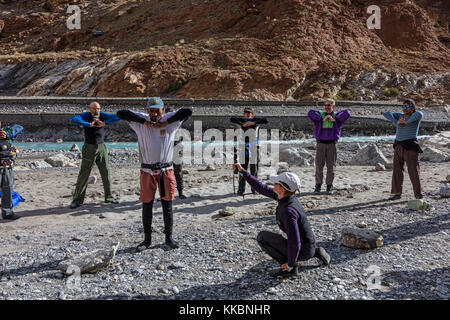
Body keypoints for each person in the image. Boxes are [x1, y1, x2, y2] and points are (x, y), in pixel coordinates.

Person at [117, 97, 192, 251]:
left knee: (167, 205)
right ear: (147, 111)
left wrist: (166, 122)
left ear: (162, 110)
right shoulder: (140, 122)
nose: (154, 113)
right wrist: (145, 122)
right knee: (147, 205)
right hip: (147, 170)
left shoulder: (170, 121)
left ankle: (169, 238)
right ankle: (147, 240)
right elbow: (121, 113)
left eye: (157, 110)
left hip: (166, 170)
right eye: (151, 110)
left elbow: (188, 111)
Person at [232, 162, 331, 278]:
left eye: (276, 183)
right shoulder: (288, 197)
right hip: (309, 245)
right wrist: (243, 172)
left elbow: (295, 243)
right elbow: (260, 187)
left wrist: (290, 264)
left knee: (262, 237)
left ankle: (290, 269)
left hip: (303, 248)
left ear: (282, 189)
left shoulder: (288, 211)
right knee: (290, 242)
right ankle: (315, 252)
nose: (273, 184)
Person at [69, 102, 121, 209]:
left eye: (98, 109)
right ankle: (77, 200)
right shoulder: (86, 116)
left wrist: (104, 123)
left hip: (101, 147)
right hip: (89, 147)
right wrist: (88, 124)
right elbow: (73, 119)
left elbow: (117, 117)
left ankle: (109, 197)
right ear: (90, 109)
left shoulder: (103, 116)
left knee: (105, 172)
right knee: (84, 174)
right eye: (94, 109)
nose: (96, 111)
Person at [307, 99, 350, 195]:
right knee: (319, 166)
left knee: (331, 167)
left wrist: (336, 118)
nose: (327, 106)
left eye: (329, 105)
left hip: (332, 144)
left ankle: (329, 186)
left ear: (333, 106)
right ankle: (318, 186)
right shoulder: (320, 116)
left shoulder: (337, 117)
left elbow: (347, 112)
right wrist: (322, 119)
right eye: (325, 105)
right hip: (320, 144)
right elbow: (310, 112)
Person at [383, 99, 423, 200]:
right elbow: (386, 113)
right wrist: (397, 121)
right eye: (403, 106)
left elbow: (415, 116)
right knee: (397, 170)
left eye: (407, 106)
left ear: (412, 107)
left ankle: (418, 195)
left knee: (413, 171)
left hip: (411, 147)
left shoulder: (416, 115)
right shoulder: (400, 116)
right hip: (398, 146)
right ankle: (397, 193)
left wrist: (403, 121)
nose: (405, 108)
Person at [230, 107, 268, 196]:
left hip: (254, 147)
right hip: (243, 148)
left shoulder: (255, 120)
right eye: (246, 113)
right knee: (242, 169)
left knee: (254, 170)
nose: (247, 114)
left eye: (249, 113)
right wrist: (242, 124)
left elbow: (265, 120)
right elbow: (232, 119)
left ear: (252, 114)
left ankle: (254, 189)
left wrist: (253, 122)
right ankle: (241, 190)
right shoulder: (242, 120)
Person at [0, 121, 24, 220]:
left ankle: (7, 212)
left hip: (7, 167)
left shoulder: (7, 132)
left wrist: (7, 134)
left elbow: (20, 127)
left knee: (7, 190)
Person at [165, 106, 187, 200]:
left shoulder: (179, 121)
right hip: (169, 147)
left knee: (177, 171)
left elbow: (186, 113)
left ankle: (180, 192)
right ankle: (173, 192)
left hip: (176, 146)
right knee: (167, 171)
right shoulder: (163, 122)